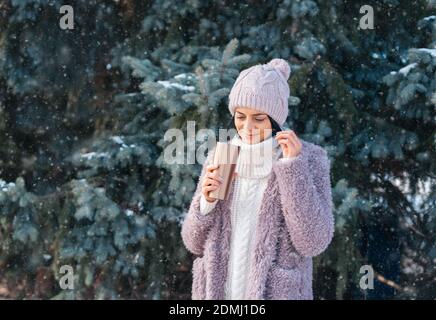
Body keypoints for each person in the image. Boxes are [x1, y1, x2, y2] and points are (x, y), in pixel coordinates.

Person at [181, 58, 334, 300]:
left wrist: (293, 168)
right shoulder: (222, 157)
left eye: (259, 118)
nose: (247, 126)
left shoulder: (309, 159)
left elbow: (313, 242)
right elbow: (193, 243)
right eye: (240, 116)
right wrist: (205, 204)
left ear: (275, 119)